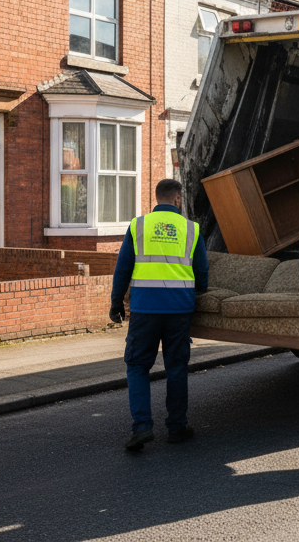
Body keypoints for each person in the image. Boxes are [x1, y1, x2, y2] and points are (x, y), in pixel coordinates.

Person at [110, 178, 209, 452]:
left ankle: (142, 427)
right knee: (176, 367)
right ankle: (177, 428)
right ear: (177, 199)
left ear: (157, 198)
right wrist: (199, 291)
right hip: (179, 309)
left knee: (138, 366)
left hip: (144, 309)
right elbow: (202, 271)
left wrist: (116, 302)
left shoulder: (138, 225)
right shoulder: (191, 229)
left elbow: (123, 268)